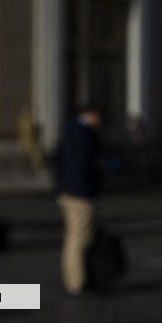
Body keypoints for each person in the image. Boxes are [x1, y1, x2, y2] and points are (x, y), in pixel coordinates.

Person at [56, 106, 104, 296]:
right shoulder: (85, 135)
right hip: (80, 192)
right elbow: (86, 165)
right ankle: (76, 281)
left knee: (74, 235)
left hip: (67, 190)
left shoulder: (70, 129)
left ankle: (77, 278)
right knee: (77, 238)